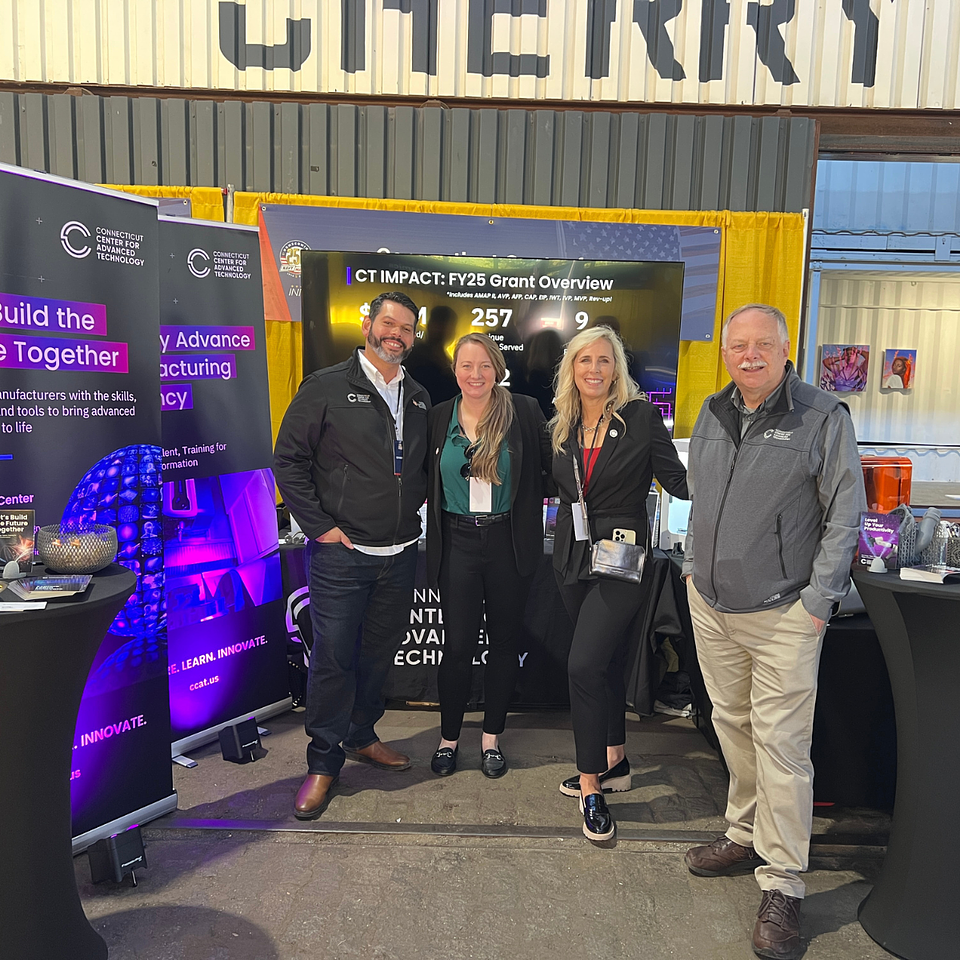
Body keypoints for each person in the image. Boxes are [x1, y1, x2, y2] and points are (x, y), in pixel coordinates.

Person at [681, 304, 866, 960]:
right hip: (712, 605)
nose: (749, 354)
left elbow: (846, 514)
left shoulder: (821, 417)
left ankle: (784, 881)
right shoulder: (711, 410)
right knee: (731, 726)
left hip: (786, 613)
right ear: (725, 351)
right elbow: (704, 496)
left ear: (786, 349)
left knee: (783, 746)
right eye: (738, 344)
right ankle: (744, 832)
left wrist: (819, 601)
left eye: (763, 344)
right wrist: (692, 568)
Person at [274, 291, 430, 820]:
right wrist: (320, 528)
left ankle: (361, 736)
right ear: (368, 324)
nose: (397, 335)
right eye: (389, 324)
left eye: (407, 329)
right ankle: (322, 765)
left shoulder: (419, 396)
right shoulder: (326, 386)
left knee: (376, 656)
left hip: (399, 553)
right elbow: (288, 460)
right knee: (334, 659)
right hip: (342, 555)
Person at [550, 326, 688, 842]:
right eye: (585, 359)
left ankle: (591, 788)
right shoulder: (560, 427)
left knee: (583, 664)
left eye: (604, 360)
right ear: (572, 368)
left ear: (617, 368)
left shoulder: (641, 419)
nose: (594, 369)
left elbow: (678, 481)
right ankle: (616, 762)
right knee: (601, 663)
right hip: (570, 560)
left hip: (622, 559)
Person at [425, 333, 553, 778]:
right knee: (457, 647)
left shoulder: (524, 411)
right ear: (455, 370)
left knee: (503, 646)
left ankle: (491, 740)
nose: (475, 375)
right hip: (456, 543)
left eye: (484, 366)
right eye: (466, 366)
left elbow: (551, 471)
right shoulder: (439, 415)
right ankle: (448, 740)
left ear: (497, 369)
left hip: (507, 543)